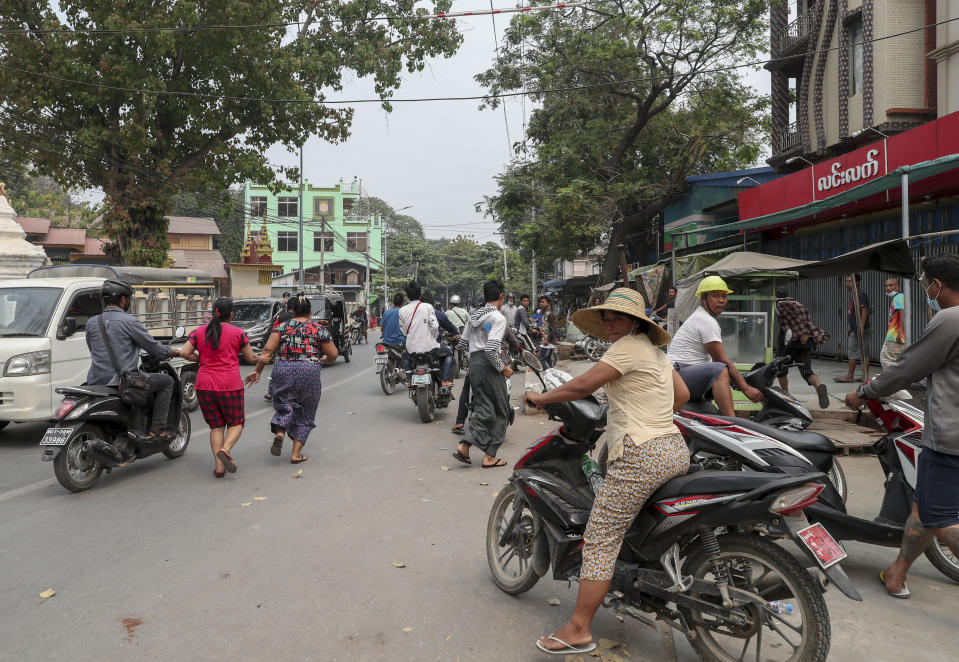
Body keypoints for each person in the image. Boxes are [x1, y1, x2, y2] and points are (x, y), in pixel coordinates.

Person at [524, 288, 690, 654]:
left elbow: (583, 384)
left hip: (640, 454)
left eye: (617, 317)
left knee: (600, 537)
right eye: (606, 317)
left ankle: (578, 629)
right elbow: (681, 396)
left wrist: (541, 397)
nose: (610, 323)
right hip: (673, 449)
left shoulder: (627, 347)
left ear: (635, 322)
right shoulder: (655, 351)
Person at [844, 255, 959, 600]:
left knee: (938, 517)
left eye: (926, 285)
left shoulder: (950, 319)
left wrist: (863, 393)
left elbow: (908, 367)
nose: (926, 291)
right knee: (923, 508)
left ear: (936, 284)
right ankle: (897, 573)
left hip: (950, 436)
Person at [85, 278, 180, 439]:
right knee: (167, 382)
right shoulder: (130, 322)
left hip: (95, 380)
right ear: (123, 300)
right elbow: (153, 347)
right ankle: (157, 428)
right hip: (124, 382)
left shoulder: (92, 322)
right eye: (128, 299)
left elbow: (91, 348)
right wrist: (171, 351)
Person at [179, 298, 261, 477]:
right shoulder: (238, 333)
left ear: (213, 312)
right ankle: (225, 449)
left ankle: (219, 468)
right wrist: (262, 359)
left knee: (216, 426)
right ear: (231, 315)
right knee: (236, 423)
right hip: (229, 385)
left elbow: (185, 352)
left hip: (204, 385)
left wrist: (201, 359)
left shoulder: (199, 331)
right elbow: (250, 358)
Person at [252, 294, 338, 464]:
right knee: (306, 412)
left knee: (285, 405)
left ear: (292, 311)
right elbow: (333, 354)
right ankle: (296, 454)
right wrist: (325, 360)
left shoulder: (282, 328)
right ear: (310, 311)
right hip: (309, 370)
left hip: (283, 368)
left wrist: (258, 371)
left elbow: (267, 352)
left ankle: (280, 432)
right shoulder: (318, 329)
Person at [667, 275, 763, 416]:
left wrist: (738, 379)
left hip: (683, 374)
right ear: (703, 299)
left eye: (724, 296)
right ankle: (732, 425)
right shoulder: (706, 320)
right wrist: (746, 388)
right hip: (678, 374)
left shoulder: (702, 318)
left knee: (723, 373)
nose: (721, 301)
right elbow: (722, 361)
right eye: (715, 296)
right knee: (720, 370)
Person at [452, 280, 514, 468]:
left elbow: (462, 345)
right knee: (502, 411)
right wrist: (503, 368)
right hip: (489, 365)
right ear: (501, 296)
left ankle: (464, 446)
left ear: (485, 296)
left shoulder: (474, 315)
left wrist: (473, 359)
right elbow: (491, 350)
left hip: (474, 365)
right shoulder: (498, 318)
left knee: (484, 407)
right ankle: (490, 456)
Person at [775, 287, 831, 409]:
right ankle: (818, 386)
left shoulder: (780, 305)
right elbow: (805, 322)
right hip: (804, 342)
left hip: (789, 342)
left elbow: (793, 322)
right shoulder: (797, 304)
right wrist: (805, 333)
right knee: (807, 372)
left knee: (780, 368)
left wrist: (800, 333)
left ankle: (786, 394)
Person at [399, 282, 455, 388]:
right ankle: (445, 380)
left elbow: (403, 330)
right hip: (430, 347)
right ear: (420, 294)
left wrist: (411, 337)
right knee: (448, 354)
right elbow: (434, 327)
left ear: (407, 296)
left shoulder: (402, 310)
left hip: (412, 349)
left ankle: (410, 379)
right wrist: (433, 338)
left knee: (405, 357)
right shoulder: (427, 307)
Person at [836, 274, 871, 383]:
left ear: (857, 283)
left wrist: (861, 327)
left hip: (860, 329)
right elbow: (854, 312)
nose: (847, 283)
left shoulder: (860, 294)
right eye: (846, 281)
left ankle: (850, 376)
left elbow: (864, 311)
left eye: (850, 281)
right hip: (854, 328)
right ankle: (864, 376)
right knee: (863, 353)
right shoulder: (854, 295)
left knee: (853, 353)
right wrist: (850, 327)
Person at [264, 297, 297, 401]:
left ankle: (270, 392)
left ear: (288, 307)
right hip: (298, 348)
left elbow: (274, 330)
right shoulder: (301, 317)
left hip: (282, 347)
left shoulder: (281, 317)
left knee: (276, 369)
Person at [881, 277, 906, 369]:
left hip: (894, 337)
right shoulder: (899, 297)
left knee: (887, 361)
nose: (888, 288)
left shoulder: (899, 297)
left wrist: (899, 332)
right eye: (886, 286)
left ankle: (892, 382)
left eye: (891, 285)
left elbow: (903, 314)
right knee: (897, 362)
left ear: (898, 286)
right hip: (897, 336)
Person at [536, 295, 558, 369]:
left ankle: (549, 374)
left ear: (548, 303)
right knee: (548, 359)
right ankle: (553, 374)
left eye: (543, 302)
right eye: (540, 302)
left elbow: (553, 329)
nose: (541, 303)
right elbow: (546, 327)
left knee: (541, 359)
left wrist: (547, 340)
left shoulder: (550, 314)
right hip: (546, 340)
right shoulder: (544, 313)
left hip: (548, 341)